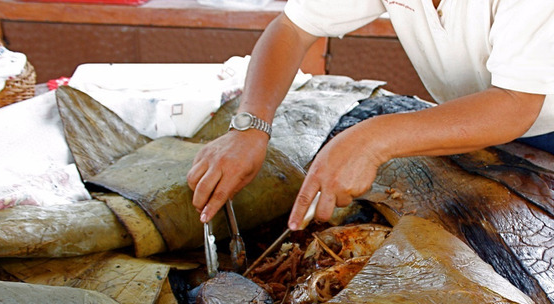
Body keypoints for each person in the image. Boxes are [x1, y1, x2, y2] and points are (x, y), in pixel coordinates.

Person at [187, 0, 554, 232]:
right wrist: (250, 125)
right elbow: (292, 28)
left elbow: (516, 103)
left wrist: (372, 140)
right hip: (476, 120)